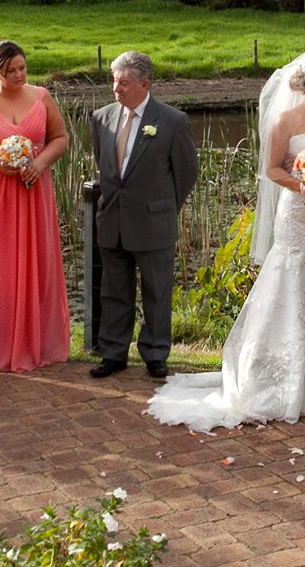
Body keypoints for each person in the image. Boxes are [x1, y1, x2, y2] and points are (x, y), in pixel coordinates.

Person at [148, 52, 305, 431]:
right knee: (295, 284)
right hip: (298, 214)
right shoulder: (285, 119)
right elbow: (270, 170)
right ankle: (281, 376)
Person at [0, 39, 71, 372]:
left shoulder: (42, 97)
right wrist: (0, 164)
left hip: (34, 190)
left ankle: (37, 342)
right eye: (11, 71)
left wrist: (40, 162)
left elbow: (60, 138)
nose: (20, 75)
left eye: (23, 68)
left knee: (38, 263)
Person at [89, 50, 198, 380]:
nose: (116, 88)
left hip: (154, 221)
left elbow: (186, 173)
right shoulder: (101, 117)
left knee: (157, 291)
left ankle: (154, 353)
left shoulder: (172, 121)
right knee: (113, 290)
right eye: (114, 81)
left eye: (123, 82)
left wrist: (164, 208)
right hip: (112, 219)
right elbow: (105, 166)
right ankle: (113, 353)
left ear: (144, 84)